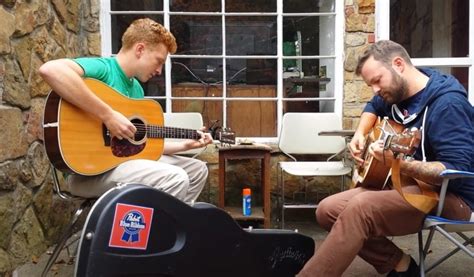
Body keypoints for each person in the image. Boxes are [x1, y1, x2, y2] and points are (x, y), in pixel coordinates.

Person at [297, 40, 474, 276]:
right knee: (327, 209)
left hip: (452, 198)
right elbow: (373, 106)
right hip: (408, 187)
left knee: (360, 208)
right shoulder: (398, 92)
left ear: (398, 64)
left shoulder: (447, 105)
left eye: (377, 81)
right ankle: (400, 265)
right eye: (370, 84)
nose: (375, 90)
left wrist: (397, 163)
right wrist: (360, 134)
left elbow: (455, 171)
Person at [39, 18, 213, 205]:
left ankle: (170, 228)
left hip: (121, 164)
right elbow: (50, 70)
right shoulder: (105, 69)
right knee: (175, 177)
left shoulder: (136, 89)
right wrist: (108, 115)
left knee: (196, 170)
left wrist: (185, 146)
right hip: (87, 173)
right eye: (159, 61)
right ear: (140, 50)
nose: (159, 70)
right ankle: (153, 232)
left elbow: (140, 148)